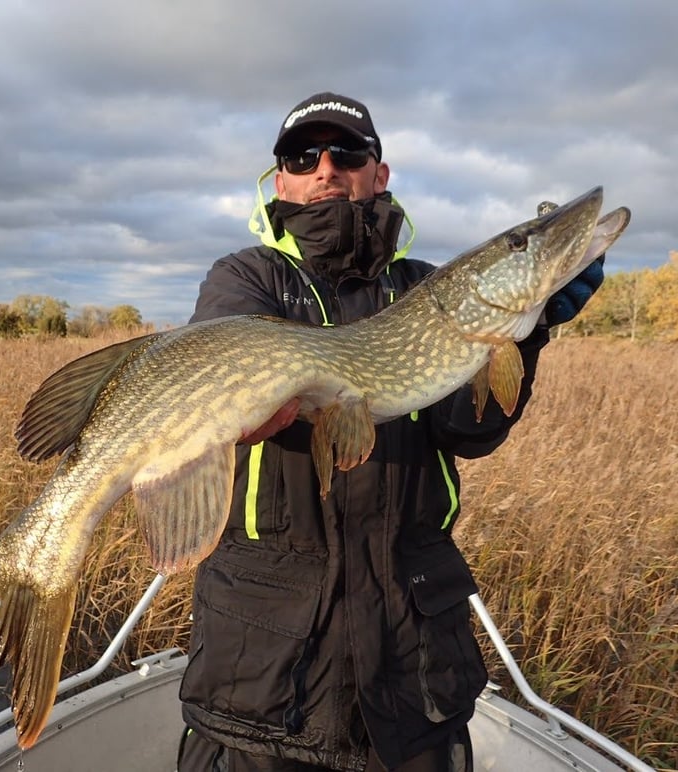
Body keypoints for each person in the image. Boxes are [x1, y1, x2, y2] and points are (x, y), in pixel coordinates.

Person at [177, 92, 603, 772]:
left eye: (347, 153)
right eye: (303, 157)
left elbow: (471, 432)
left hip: (412, 668)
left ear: (379, 174)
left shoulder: (425, 289)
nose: (325, 169)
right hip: (264, 676)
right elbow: (224, 383)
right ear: (281, 181)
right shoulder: (247, 279)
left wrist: (529, 332)